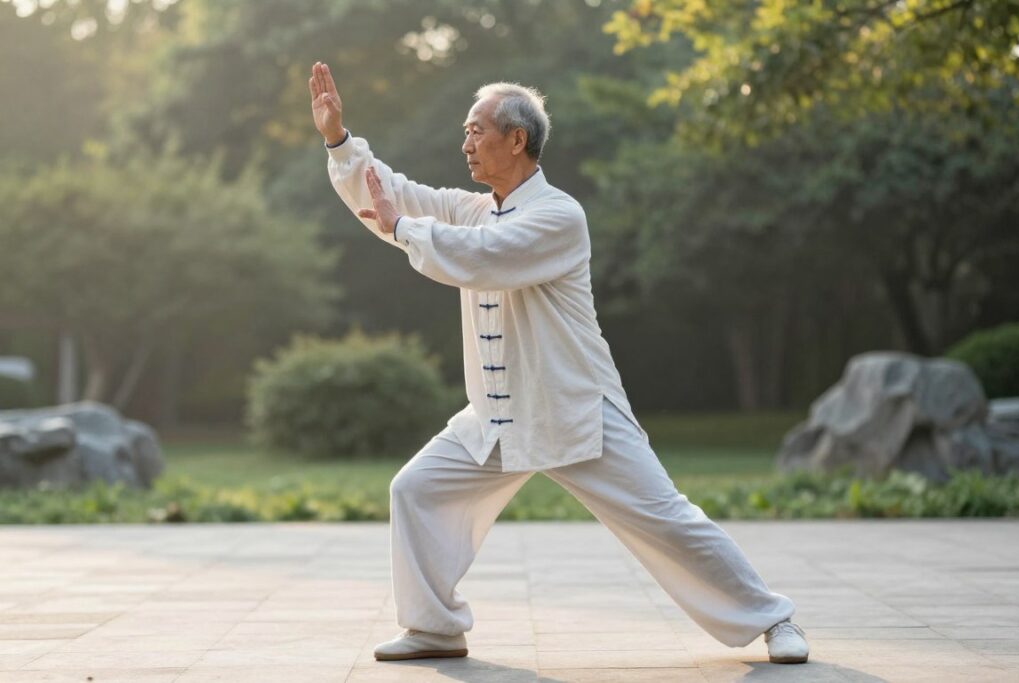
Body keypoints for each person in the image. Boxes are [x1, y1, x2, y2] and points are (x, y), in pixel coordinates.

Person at [308, 61, 810, 665]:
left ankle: (774, 618)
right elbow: (394, 195)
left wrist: (405, 228)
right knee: (416, 489)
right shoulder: (472, 210)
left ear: (516, 139)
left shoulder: (559, 216)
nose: (464, 143)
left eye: (475, 131)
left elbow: (484, 255)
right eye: (465, 132)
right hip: (495, 415)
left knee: (667, 519)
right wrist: (340, 140)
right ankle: (434, 628)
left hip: (576, 411)